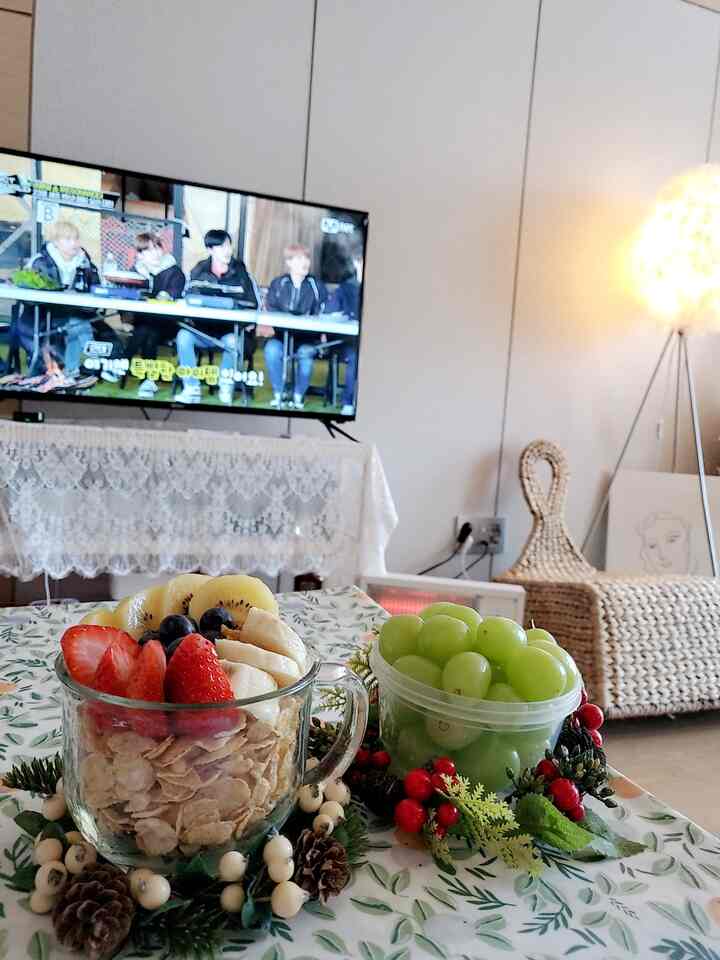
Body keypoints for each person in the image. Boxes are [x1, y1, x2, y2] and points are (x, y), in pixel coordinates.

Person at [176, 229, 260, 404]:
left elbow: (254, 305)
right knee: (184, 336)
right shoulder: (199, 271)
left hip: (230, 332)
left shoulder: (241, 273)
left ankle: (226, 386)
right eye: (221, 246)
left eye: (228, 245)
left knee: (232, 341)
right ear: (210, 250)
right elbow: (187, 298)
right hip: (203, 330)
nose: (227, 250)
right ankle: (191, 388)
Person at [16, 220, 100, 379]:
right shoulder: (40, 261)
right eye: (68, 239)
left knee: (78, 323)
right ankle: (90, 364)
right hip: (41, 317)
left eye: (76, 239)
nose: (74, 243)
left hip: (71, 314)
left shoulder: (85, 261)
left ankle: (79, 368)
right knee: (77, 324)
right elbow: (30, 298)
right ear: (55, 241)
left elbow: (96, 288)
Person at [261, 243, 327, 409]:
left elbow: (323, 312)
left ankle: (298, 395)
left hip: (307, 339)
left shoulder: (316, 285)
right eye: (299, 259)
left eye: (306, 258)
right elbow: (271, 309)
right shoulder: (278, 283)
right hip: (281, 337)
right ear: (289, 262)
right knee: (271, 350)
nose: (305, 262)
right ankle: (279, 393)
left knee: (306, 353)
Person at [124, 232, 185, 399]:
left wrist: (164, 296)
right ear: (140, 254)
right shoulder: (135, 271)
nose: (156, 252)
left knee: (148, 330)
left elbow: (173, 294)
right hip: (142, 323)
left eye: (158, 247)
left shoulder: (174, 271)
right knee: (146, 330)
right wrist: (126, 320)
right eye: (150, 250)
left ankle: (122, 363)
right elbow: (125, 297)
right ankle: (148, 380)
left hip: (169, 323)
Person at [326, 250, 362, 415]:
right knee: (355, 356)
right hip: (346, 343)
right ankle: (348, 402)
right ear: (355, 263)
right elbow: (330, 312)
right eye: (361, 262)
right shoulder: (345, 288)